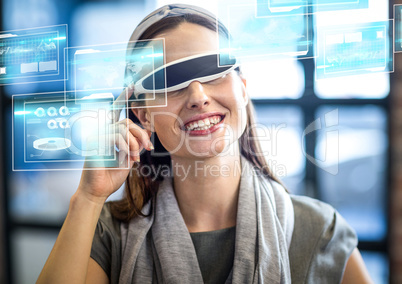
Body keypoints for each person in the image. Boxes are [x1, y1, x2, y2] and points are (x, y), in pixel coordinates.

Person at [38, 4, 373, 284]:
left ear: (242, 88)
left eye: (213, 72)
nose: (198, 96)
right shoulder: (107, 236)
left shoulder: (320, 231)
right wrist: (88, 197)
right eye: (170, 82)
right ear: (143, 115)